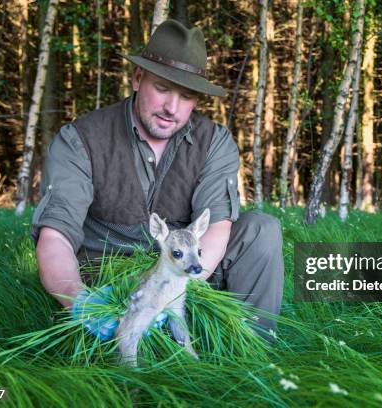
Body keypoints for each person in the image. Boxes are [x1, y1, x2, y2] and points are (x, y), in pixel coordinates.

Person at [31, 19, 284, 341]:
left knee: (261, 229)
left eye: (187, 96)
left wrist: (170, 292)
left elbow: (217, 226)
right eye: (162, 88)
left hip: (186, 273)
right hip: (108, 279)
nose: (172, 108)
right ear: (138, 78)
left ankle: (252, 353)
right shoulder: (80, 139)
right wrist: (79, 301)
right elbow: (55, 236)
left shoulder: (214, 141)